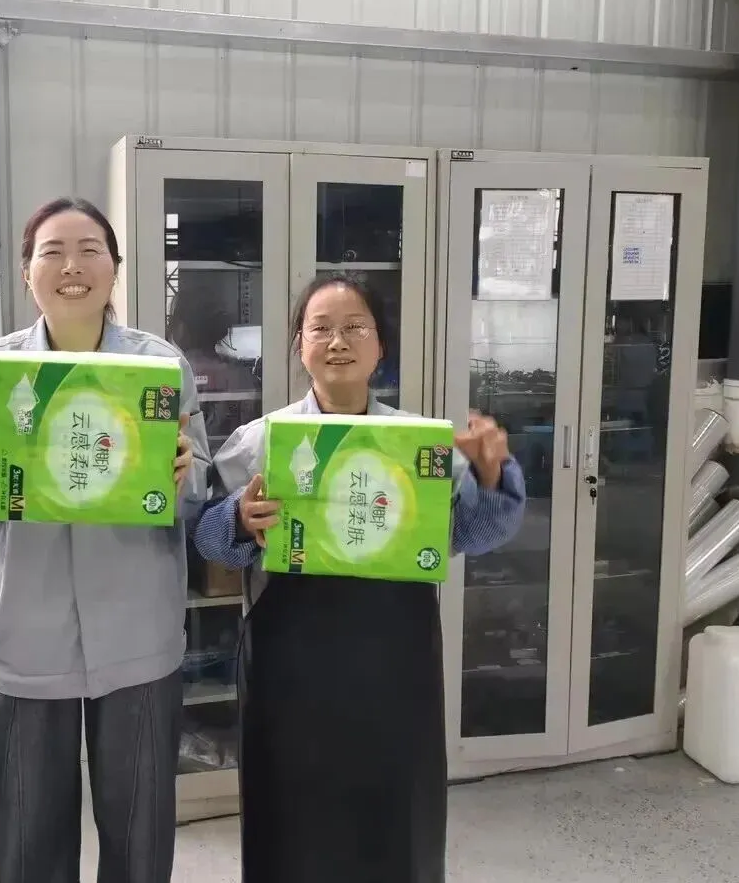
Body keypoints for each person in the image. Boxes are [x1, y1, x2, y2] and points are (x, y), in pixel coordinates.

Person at [192, 275, 526, 883]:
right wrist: (239, 519)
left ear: (380, 346)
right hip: (290, 668)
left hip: (394, 665)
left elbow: (471, 535)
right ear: (299, 346)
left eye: (355, 327)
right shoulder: (260, 442)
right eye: (320, 328)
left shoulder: (420, 445)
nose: (337, 341)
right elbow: (211, 542)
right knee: (291, 821)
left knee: (394, 819)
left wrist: (491, 477)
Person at [0, 197, 210, 883]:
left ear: (115, 266)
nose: (71, 266)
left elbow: (197, 494)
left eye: (90, 250)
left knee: (140, 839)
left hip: (137, 638)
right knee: (30, 841)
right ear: (27, 270)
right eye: (51, 252)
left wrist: (183, 476)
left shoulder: (160, 369)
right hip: (25, 637)